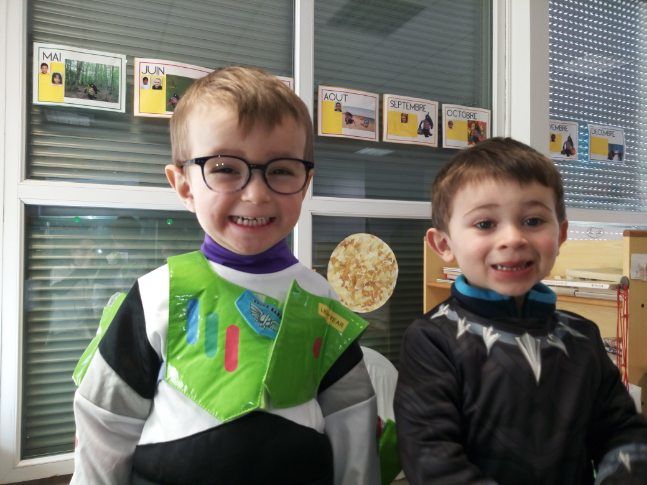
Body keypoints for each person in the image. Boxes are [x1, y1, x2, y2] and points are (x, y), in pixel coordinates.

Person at [71, 66, 380, 484]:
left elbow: (352, 414)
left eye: (282, 169)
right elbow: (105, 417)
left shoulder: (319, 298)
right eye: (225, 167)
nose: (256, 193)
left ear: (305, 183)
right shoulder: (156, 295)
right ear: (183, 185)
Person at [394, 137, 647, 484]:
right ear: (444, 244)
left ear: (560, 235)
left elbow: (625, 434)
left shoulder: (582, 336)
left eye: (532, 221)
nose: (513, 238)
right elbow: (431, 458)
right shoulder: (431, 340)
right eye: (485, 224)